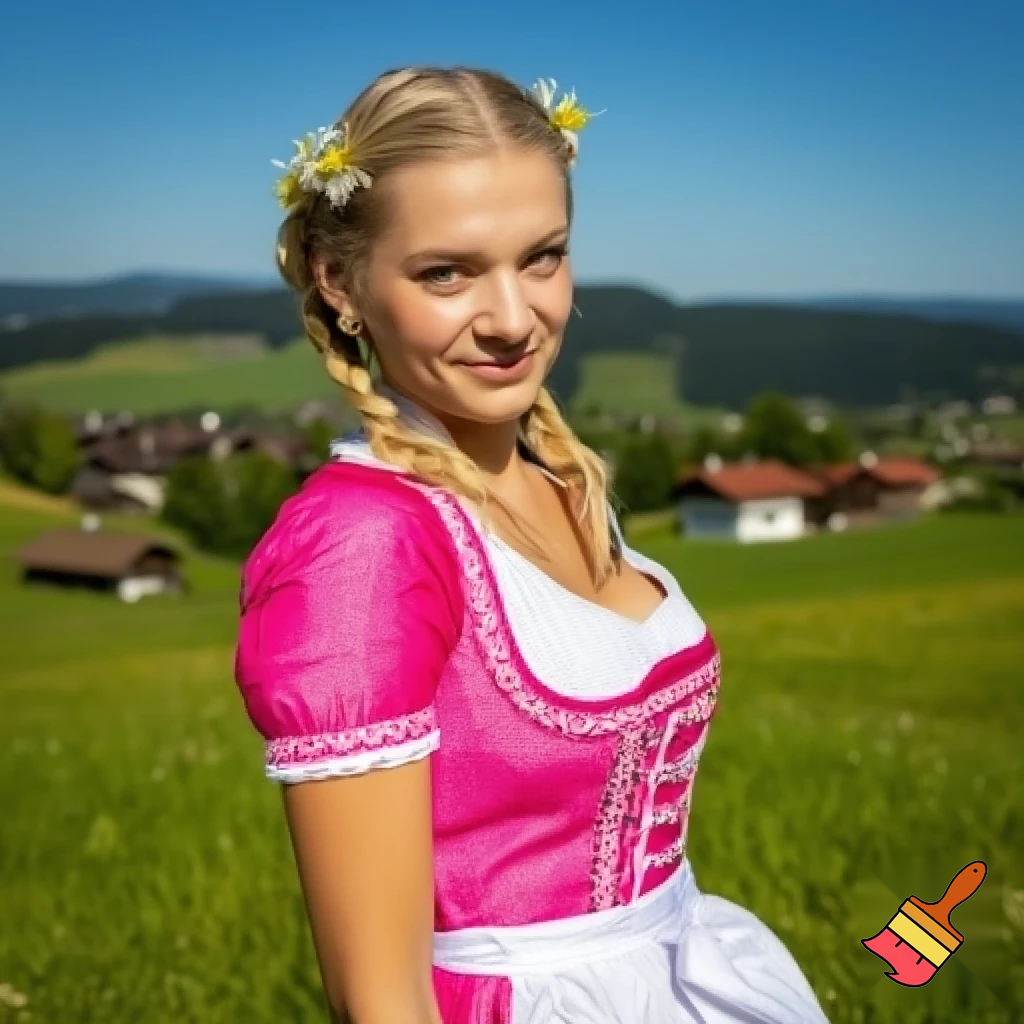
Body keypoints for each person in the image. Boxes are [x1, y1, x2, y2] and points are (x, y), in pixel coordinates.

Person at [234, 66, 830, 1024]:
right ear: (339, 280)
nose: (514, 319)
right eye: (446, 272)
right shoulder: (361, 548)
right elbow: (381, 1001)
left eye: (543, 257)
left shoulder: (560, 479)